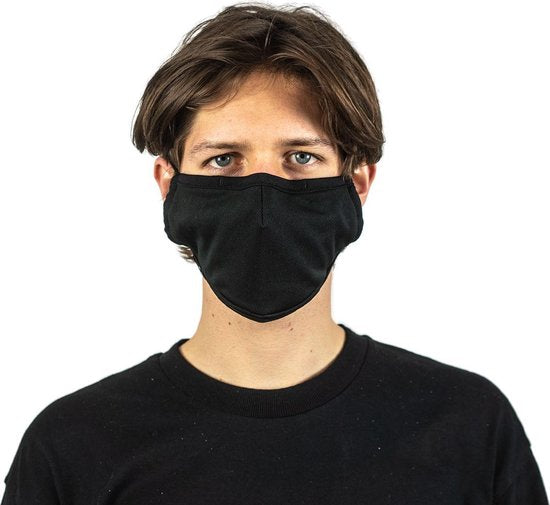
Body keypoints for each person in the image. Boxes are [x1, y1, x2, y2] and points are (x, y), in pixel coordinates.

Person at [2, 3, 548, 504]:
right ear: (169, 184)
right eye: (224, 160)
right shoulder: (73, 448)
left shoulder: (468, 428)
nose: (262, 199)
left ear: (358, 183)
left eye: (301, 157)